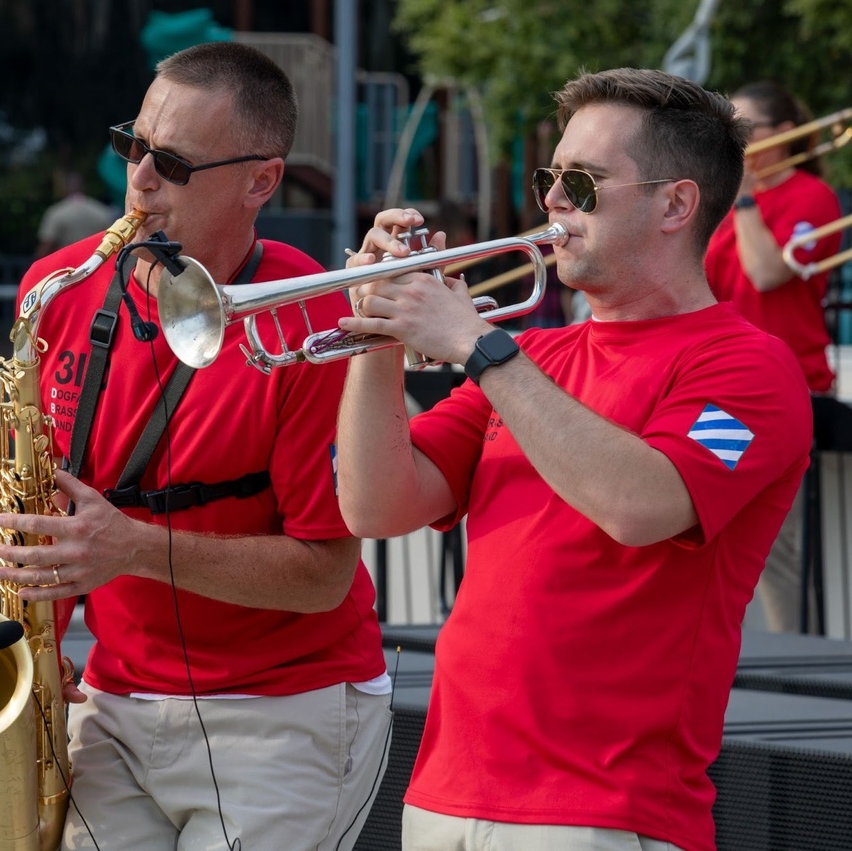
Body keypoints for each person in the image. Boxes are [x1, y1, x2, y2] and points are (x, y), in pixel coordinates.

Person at [335, 67, 812, 851]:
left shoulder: (748, 367)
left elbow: (641, 506)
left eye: (583, 183)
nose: (553, 201)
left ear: (675, 205)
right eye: (550, 178)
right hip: (445, 787)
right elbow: (376, 507)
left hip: (606, 805)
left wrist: (479, 348)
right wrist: (378, 338)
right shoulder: (535, 358)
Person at [0, 42, 390, 850]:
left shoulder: (306, 317)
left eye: (170, 162)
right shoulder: (55, 289)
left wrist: (131, 546)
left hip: (284, 714)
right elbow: (41, 501)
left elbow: (324, 574)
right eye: (131, 146)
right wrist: (40, 644)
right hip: (113, 701)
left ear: (260, 181)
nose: (138, 180)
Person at [705, 80, 842, 634]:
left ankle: (793, 676)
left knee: (778, 553)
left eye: (744, 130)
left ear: (785, 136)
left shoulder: (811, 197)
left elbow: (766, 272)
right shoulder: (727, 206)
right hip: (723, 391)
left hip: (786, 392)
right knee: (707, 531)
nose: (731, 141)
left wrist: (740, 195)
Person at [34, 170, 118, 258]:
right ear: (84, 186)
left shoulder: (56, 212)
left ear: (65, 187)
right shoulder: (102, 211)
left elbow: (47, 245)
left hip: (66, 265)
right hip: (96, 263)